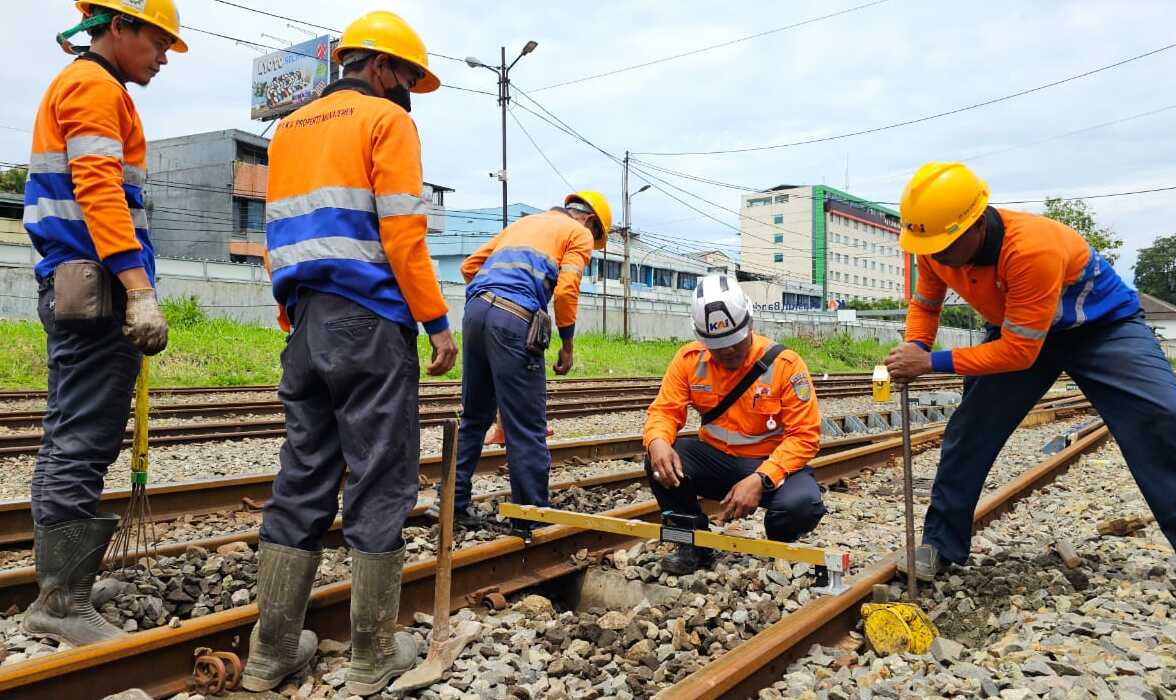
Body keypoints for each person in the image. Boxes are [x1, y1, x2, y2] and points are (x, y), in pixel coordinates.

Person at [242, 11, 457, 696]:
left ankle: (270, 654)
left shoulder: (288, 128)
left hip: (304, 324)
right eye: (408, 81)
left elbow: (281, 232)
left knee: (303, 476)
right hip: (370, 324)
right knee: (379, 479)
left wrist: (292, 311)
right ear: (383, 67)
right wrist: (436, 323)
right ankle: (369, 660)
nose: (409, 95)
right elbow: (403, 234)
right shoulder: (387, 123)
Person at [886, 162, 1176, 583]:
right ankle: (940, 544)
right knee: (970, 430)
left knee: (1165, 418)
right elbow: (926, 304)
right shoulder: (934, 246)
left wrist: (931, 363)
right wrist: (917, 345)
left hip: (1102, 329)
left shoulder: (1031, 248)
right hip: (1018, 327)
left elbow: (1019, 353)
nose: (936, 255)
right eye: (929, 247)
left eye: (945, 246)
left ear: (976, 225)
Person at [22, 0, 183, 648]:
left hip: (81, 280)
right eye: (159, 42)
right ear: (119, 27)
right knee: (82, 439)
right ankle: (60, 602)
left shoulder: (85, 84)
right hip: (98, 285)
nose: (165, 56)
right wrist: (138, 289)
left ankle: (65, 582)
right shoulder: (92, 86)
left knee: (72, 432)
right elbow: (99, 189)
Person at [643, 274, 827, 574]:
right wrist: (658, 442)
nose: (728, 352)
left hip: (770, 465)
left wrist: (761, 478)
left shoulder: (786, 366)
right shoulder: (689, 360)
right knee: (659, 459)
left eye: (734, 343)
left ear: (750, 324)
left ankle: (780, 542)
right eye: (718, 346)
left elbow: (805, 437)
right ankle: (693, 544)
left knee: (802, 506)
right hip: (717, 462)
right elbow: (664, 410)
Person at [452, 192, 611, 529]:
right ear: (591, 221)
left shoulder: (525, 223)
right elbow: (567, 290)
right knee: (526, 425)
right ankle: (531, 516)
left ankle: (452, 501)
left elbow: (469, 266)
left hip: (475, 312)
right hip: (513, 320)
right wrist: (566, 345)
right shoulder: (578, 233)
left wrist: (491, 298)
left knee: (474, 417)